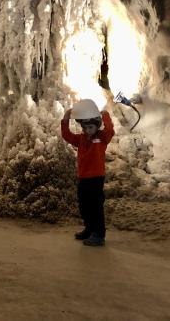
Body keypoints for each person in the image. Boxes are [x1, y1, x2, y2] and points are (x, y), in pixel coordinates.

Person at [61, 99, 115, 246]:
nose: (88, 130)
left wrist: (105, 116)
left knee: (96, 206)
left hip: (96, 178)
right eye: (85, 127)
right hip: (83, 178)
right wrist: (65, 119)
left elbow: (110, 130)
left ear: (96, 126)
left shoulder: (102, 138)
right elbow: (67, 135)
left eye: (91, 127)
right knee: (84, 205)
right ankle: (89, 229)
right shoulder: (80, 139)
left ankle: (99, 235)